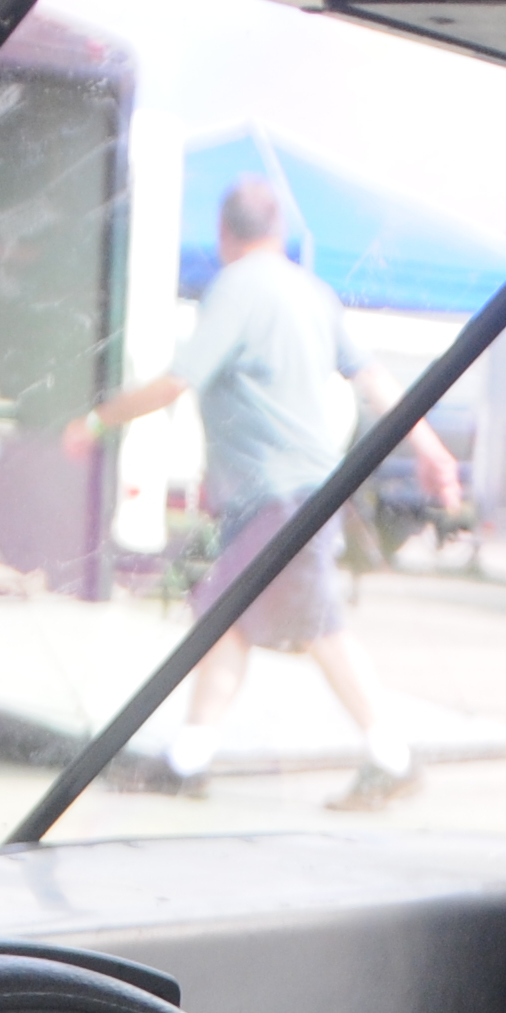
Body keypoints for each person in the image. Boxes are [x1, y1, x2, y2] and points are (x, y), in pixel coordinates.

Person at [65, 176, 463, 809]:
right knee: (242, 621)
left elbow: (177, 382)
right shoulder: (313, 293)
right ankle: (192, 760)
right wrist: (432, 449)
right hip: (301, 493)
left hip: (278, 497)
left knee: (287, 624)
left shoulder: (235, 288)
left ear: (225, 235)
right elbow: (375, 378)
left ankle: (386, 759)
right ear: (278, 233)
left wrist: (95, 421)